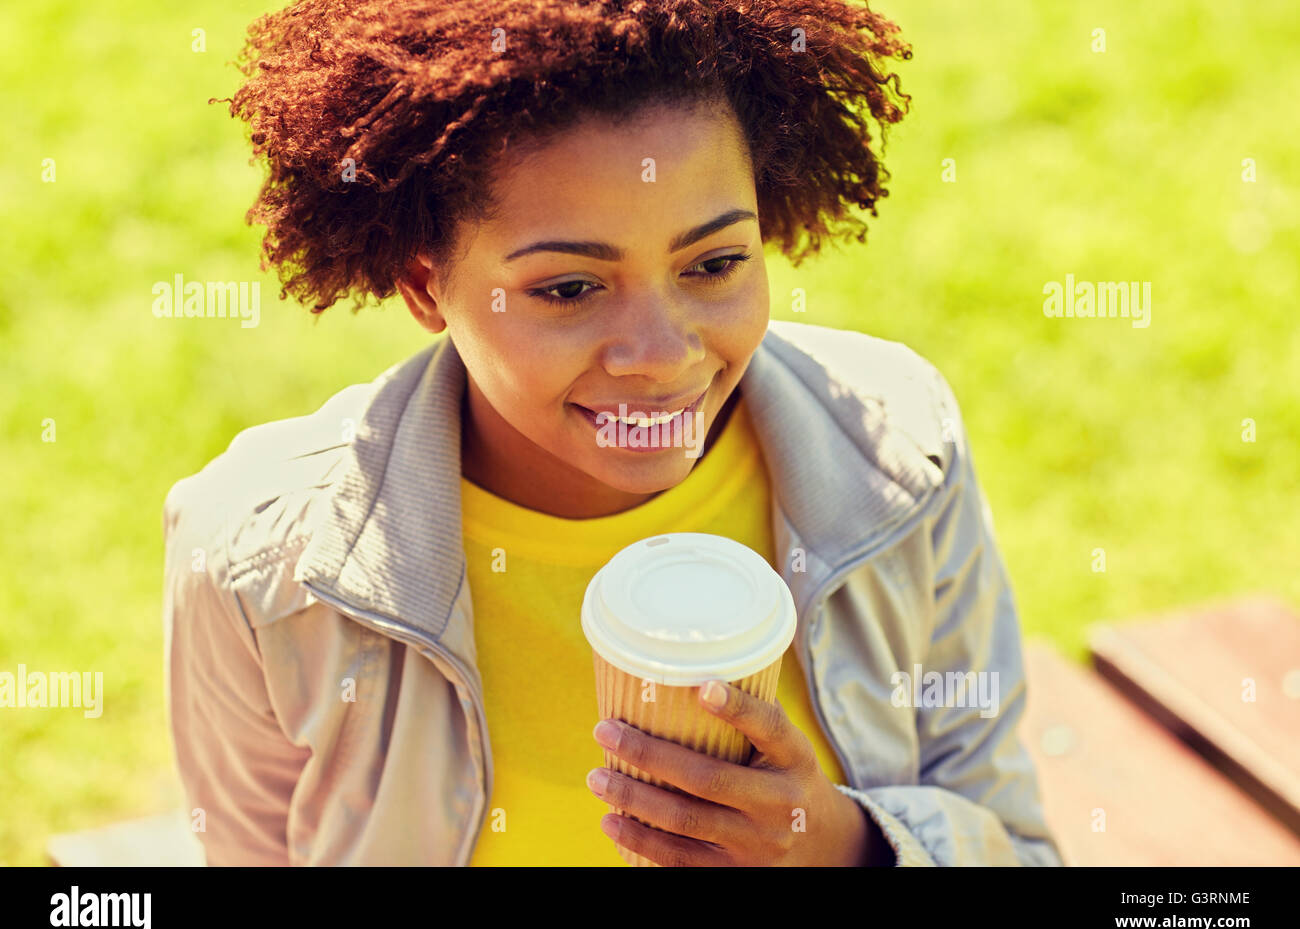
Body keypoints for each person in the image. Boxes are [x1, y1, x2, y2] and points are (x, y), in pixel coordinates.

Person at [163, 0, 1064, 866]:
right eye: (569, 289)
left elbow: (1015, 843)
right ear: (423, 284)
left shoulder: (900, 448)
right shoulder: (256, 565)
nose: (661, 356)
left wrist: (839, 846)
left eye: (713, 264)